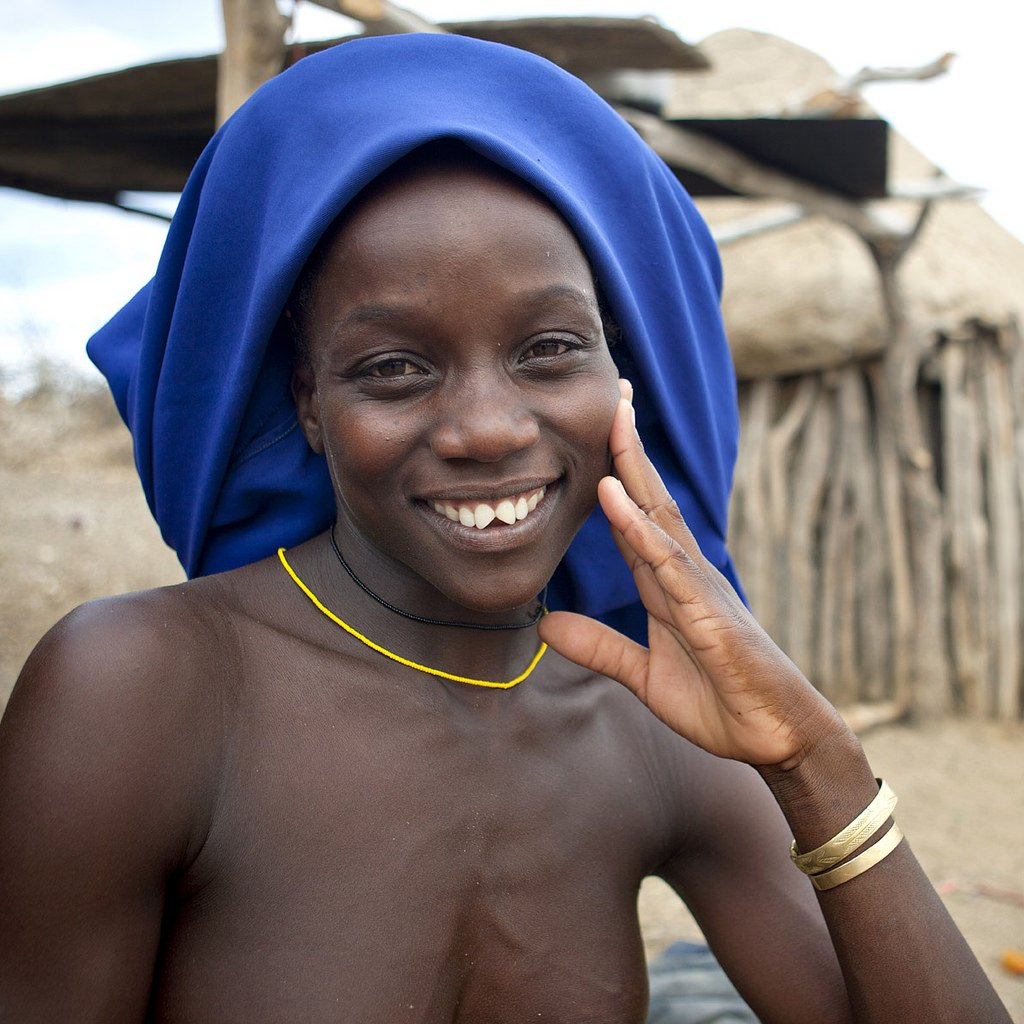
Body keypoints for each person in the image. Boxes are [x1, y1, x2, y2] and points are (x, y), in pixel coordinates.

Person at [0, 32, 1009, 1024]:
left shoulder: (644, 721)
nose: (486, 427)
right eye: (394, 366)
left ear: (625, 377)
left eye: (548, 348)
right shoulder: (147, 692)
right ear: (306, 401)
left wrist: (812, 761)